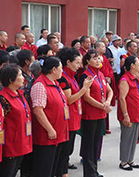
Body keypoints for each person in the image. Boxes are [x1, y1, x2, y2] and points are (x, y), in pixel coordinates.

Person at [55, 48, 94, 177]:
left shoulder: (72, 77)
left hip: (75, 117)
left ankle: (63, 170)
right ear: (68, 62)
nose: (79, 66)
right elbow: (69, 100)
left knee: (69, 148)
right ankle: (62, 172)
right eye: (77, 63)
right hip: (67, 119)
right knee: (65, 149)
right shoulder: (63, 79)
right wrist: (85, 88)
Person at [30, 56, 69, 177]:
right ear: (53, 69)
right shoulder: (40, 85)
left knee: (55, 169)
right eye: (61, 68)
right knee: (45, 170)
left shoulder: (55, 83)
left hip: (59, 134)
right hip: (47, 136)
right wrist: (50, 129)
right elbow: (38, 110)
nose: (62, 71)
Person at [80, 49, 113, 177]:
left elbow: (109, 91)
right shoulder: (86, 75)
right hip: (90, 115)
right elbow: (86, 97)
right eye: (94, 58)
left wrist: (108, 102)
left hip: (101, 114)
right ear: (88, 61)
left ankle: (94, 171)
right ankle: (89, 173)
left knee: (96, 144)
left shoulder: (100, 74)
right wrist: (102, 106)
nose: (98, 60)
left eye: (99, 58)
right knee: (89, 144)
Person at [0, 64, 32, 177]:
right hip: (10, 145)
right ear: (10, 80)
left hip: (22, 141)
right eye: (20, 75)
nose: (23, 78)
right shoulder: (3, 98)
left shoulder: (20, 94)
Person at [118, 56, 139, 171]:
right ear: (132, 66)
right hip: (128, 114)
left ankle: (130, 159)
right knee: (126, 137)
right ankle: (123, 161)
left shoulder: (137, 78)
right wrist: (125, 115)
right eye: (138, 63)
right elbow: (121, 98)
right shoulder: (125, 80)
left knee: (134, 138)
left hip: (137, 113)